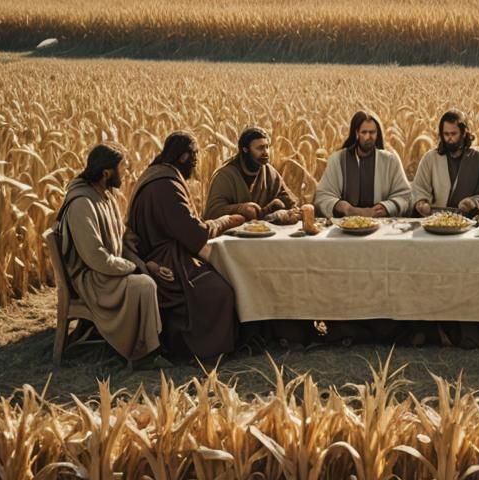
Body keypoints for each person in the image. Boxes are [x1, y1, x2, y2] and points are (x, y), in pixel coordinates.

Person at [127, 132, 242, 364]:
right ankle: (198, 350)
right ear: (183, 156)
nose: (196, 162)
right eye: (195, 156)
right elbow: (194, 234)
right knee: (219, 291)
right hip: (165, 261)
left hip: (157, 253)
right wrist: (225, 221)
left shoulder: (155, 174)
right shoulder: (166, 186)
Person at [56, 143, 166, 367]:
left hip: (105, 270)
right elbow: (96, 257)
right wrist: (133, 268)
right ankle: (143, 353)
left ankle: (152, 345)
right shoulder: (82, 203)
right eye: (122, 168)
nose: (125, 173)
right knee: (144, 285)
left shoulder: (105, 195)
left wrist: (140, 260)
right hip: (91, 278)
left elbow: (117, 239)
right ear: (106, 173)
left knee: (150, 275)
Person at [314, 110, 412, 218]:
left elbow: (405, 195)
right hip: (344, 226)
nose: (368, 137)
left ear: (377, 134)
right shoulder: (337, 160)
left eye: (372, 132)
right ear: (356, 133)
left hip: (381, 226)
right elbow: (322, 196)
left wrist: (386, 207)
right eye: (364, 132)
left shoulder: (390, 161)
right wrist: (345, 208)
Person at [204, 126, 300, 224]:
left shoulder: (269, 172)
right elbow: (212, 212)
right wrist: (240, 208)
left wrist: (292, 211)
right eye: (260, 148)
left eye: (267, 147)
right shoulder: (225, 176)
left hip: (264, 232)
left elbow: (288, 199)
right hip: (233, 235)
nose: (266, 152)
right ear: (245, 150)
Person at [410, 109, 479, 216]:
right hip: (436, 221)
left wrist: (473, 202)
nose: (449, 138)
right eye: (446, 134)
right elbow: (419, 188)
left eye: (453, 134)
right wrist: (421, 203)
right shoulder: (430, 159)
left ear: (464, 133)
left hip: (471, 221)